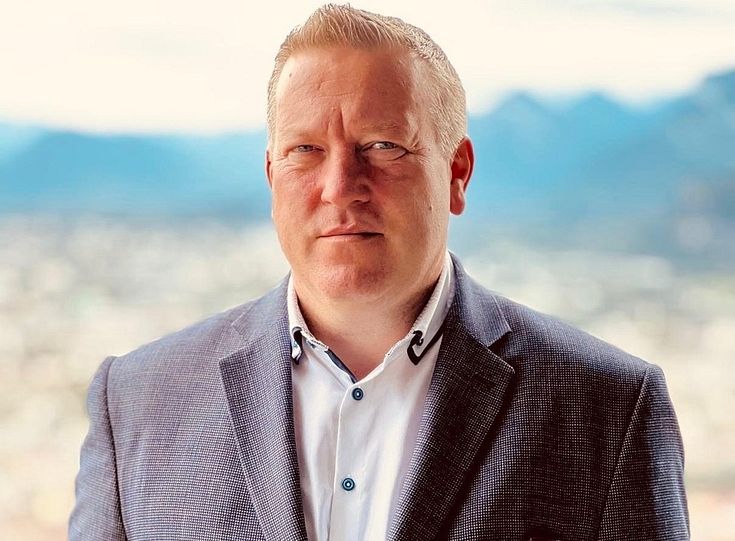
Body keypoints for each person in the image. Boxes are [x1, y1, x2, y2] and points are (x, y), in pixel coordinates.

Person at [69, 5, 689, 540]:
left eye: (383, 146)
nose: (340, 186)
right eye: (305, 150)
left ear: (457, 173)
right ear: (271, 176)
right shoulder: (138, 401)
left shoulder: (610, 405)